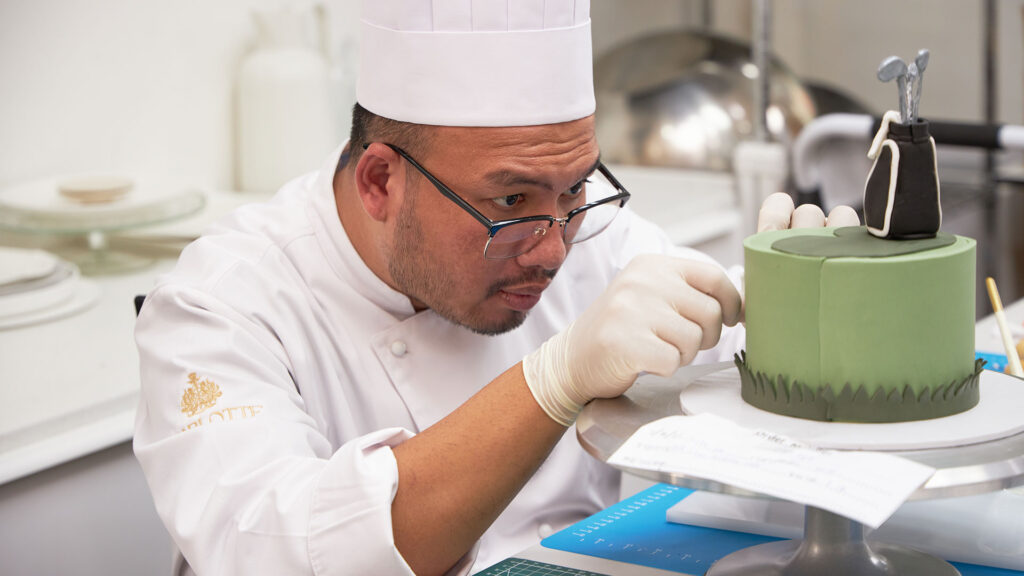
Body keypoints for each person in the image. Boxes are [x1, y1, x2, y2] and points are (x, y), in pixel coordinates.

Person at [133, 2, 858, 575]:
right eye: (508, 205)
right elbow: (286, 555)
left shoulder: (588, 233)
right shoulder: (222, 306)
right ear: (381, 182)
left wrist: (801, 289)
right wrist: (551, 381)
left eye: (574, 189)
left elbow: (733, 343)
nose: (550, 249)